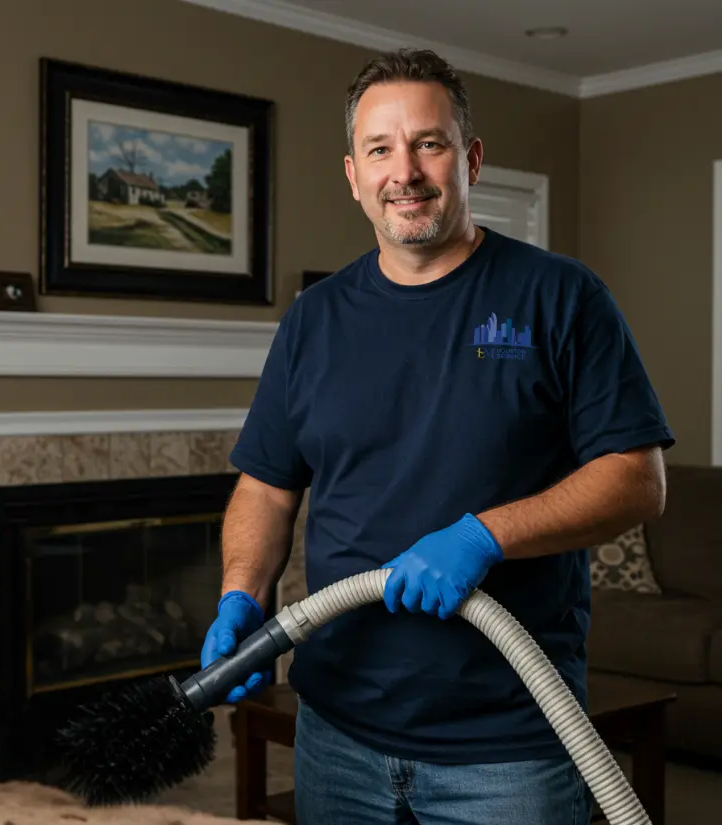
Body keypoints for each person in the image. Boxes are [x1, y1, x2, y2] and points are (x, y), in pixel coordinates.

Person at [201, 48, 674, 825]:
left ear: (470, 158)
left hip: (508, 747)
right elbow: (267, 482)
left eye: (429, 143)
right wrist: (239, 592)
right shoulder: (313, 321)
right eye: (380, 149)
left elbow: (636, 478)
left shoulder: (559, 296)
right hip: (337, 735)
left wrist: (483, 535)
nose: (405, 172)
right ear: (352, 173)